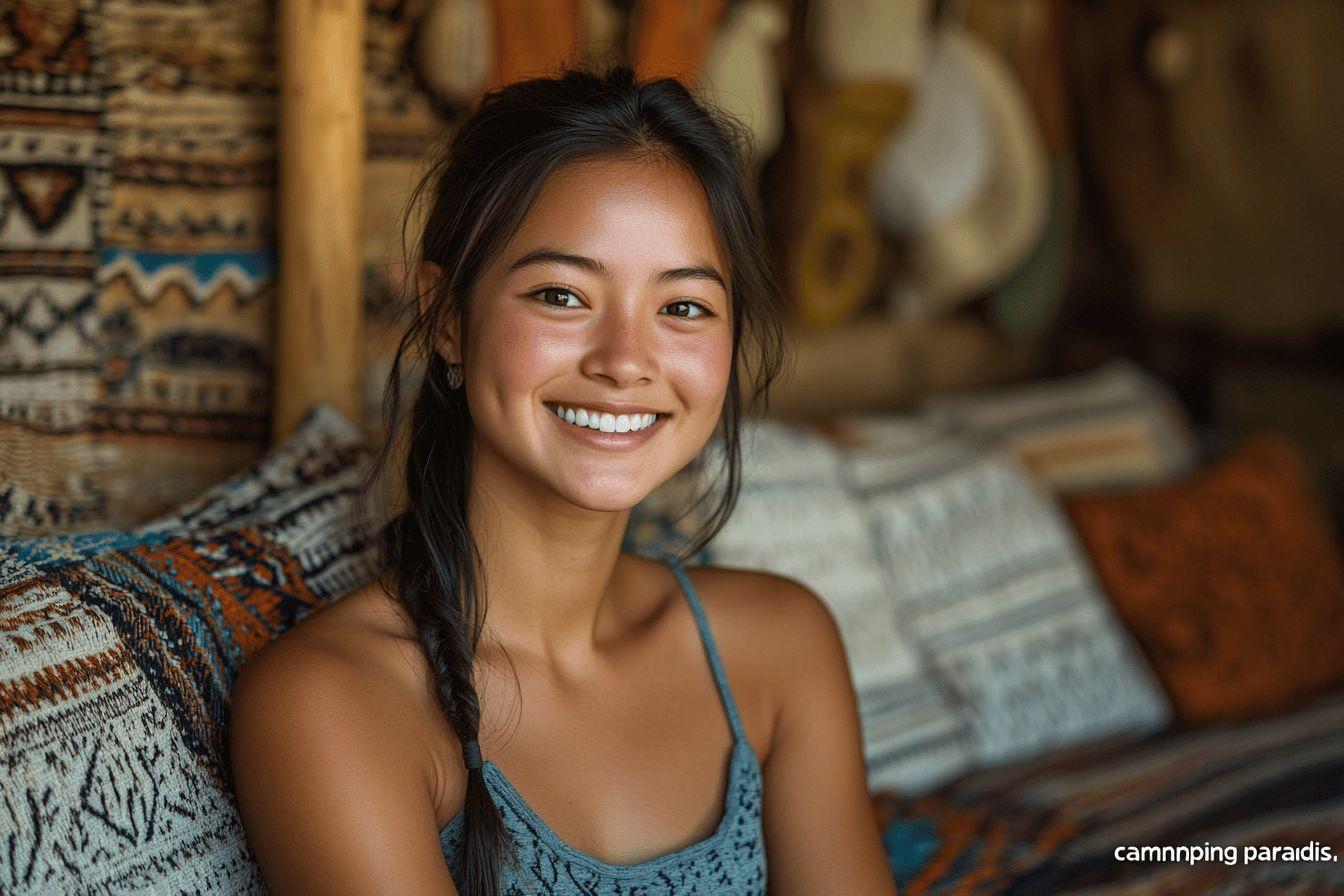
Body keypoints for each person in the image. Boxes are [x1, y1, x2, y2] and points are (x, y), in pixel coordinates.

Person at [228, 64, 898, 896]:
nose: (625, 362)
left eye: (683, 307)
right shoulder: (332, 706)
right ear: (445, 320)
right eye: (561, 294)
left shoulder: (779, 647)